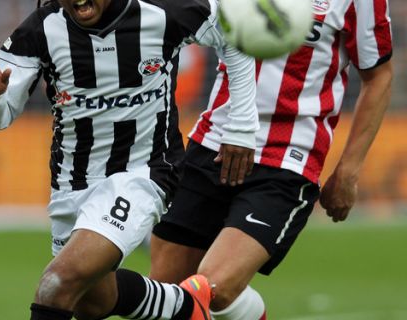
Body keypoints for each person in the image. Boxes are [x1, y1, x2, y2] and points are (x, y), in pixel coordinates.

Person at [0, 0, 258, 319]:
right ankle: (187, 306)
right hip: (70, 187)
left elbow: (237, 31)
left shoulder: (163, 11)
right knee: (92, 302)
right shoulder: (40, 29)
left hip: (141, 174)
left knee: (56, 284)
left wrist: (242, 126)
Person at [150, 0, 393, 319]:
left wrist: (348, 170)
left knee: (214, 289)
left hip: (288, 159)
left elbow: (379, 77)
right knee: (165, 297)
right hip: (214, 141)